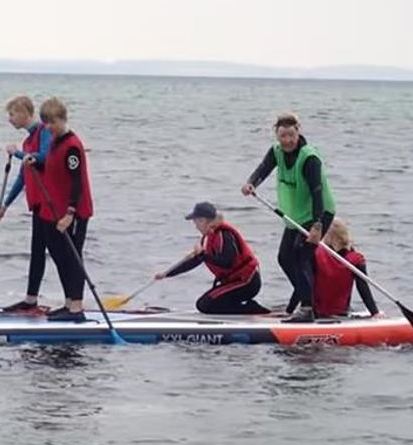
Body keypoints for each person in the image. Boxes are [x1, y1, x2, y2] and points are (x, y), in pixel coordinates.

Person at [241, 112, 335, 323]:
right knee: (284, 258)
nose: (287, 140)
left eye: (291, 135)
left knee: (302, 256)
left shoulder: (309, 158)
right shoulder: (276, 151)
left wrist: (318, 225)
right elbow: (263, 169)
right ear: (277, 135)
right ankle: (307, 300)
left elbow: (317, 193)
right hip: (296, 215)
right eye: (282, 136)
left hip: (320, 212)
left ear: (298, 132)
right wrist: (251, 183)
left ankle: (308, 308)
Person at [32, 98, 93, 322]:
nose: (48, 127)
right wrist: (35, 162)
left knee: (72, 257)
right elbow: (50, 167)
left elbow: (77, 182)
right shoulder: (55, 143)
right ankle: (68, 302)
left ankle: (76, 308)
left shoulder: (72, 146)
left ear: (62, 119)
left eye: (52, 122)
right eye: (45, 123)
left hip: (73, 212)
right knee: (59, 255)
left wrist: (70, 213)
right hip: (53, 210)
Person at [154, 202, 268, 315]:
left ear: (203, 220)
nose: (195, 226)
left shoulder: (225, 235)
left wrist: (202, 255)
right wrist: (167, 274)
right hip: (234, 282)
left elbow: (227, 262)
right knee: (205, 304)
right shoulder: (207, 238)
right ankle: (243, 308)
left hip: (247, 282)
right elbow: (194, 262)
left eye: (196, 222)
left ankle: (252, 309)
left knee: (204, 305)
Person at [0, 95, 52, 312]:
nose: (10, 119)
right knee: (37, 250)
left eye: (12, 114)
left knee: (57, 250)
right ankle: (30, 300)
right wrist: (5, 206)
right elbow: (22, 177)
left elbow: (43, 157)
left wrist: (17, 153)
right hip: (36, 204)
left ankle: (72, 301)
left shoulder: (43, 131)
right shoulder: (28, 140)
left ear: (24, 112)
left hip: (51, 204)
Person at [311, 219, 382, 318]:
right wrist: (375, 312)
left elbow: (304, 284)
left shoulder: (316, 254)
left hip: (316, 313)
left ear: (328, 236)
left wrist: (290, 310)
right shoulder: (356, 259)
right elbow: (363, 289)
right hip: (341, 313)